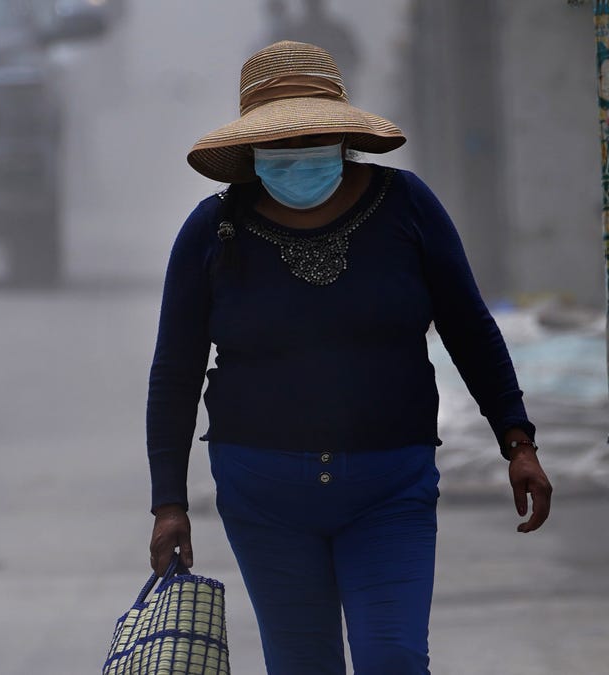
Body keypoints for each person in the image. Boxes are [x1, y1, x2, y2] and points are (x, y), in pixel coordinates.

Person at [145, 41, 553, 674]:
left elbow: (469, 326)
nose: (296, 158)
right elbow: (175, 370)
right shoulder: (212, 230)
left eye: (310, 141)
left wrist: (517, 438)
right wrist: (168, 502)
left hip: (390, 487)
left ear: (342, 137)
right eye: (279, 146)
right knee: (301, 663)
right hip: (263, 495)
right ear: (252, 152)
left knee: (393, 659)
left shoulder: (407, 207)